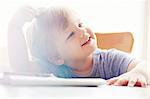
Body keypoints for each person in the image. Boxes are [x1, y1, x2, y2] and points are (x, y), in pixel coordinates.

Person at [8, 6, 149, 87]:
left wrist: (139, 73)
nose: (82, 31)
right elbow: (20, 67)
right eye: (70, 34)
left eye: (80, 24)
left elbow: (145, 65)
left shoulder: (110, 60)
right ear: (56, 57)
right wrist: (15, 27)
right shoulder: (55, 69)